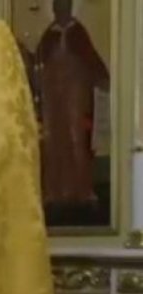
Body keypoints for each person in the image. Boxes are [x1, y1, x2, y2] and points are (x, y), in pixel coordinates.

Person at [35, 0, 109, 206]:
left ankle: (81, 189)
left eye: (64, 6)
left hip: (76, 97)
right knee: (55, 141)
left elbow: (90, 58)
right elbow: (39, 64)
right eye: (58, 7)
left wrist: (101, 77)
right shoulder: (49, 35)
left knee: (77, 139)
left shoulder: (78, 33)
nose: (61, 11)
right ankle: (55, 190)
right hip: (54, 100)